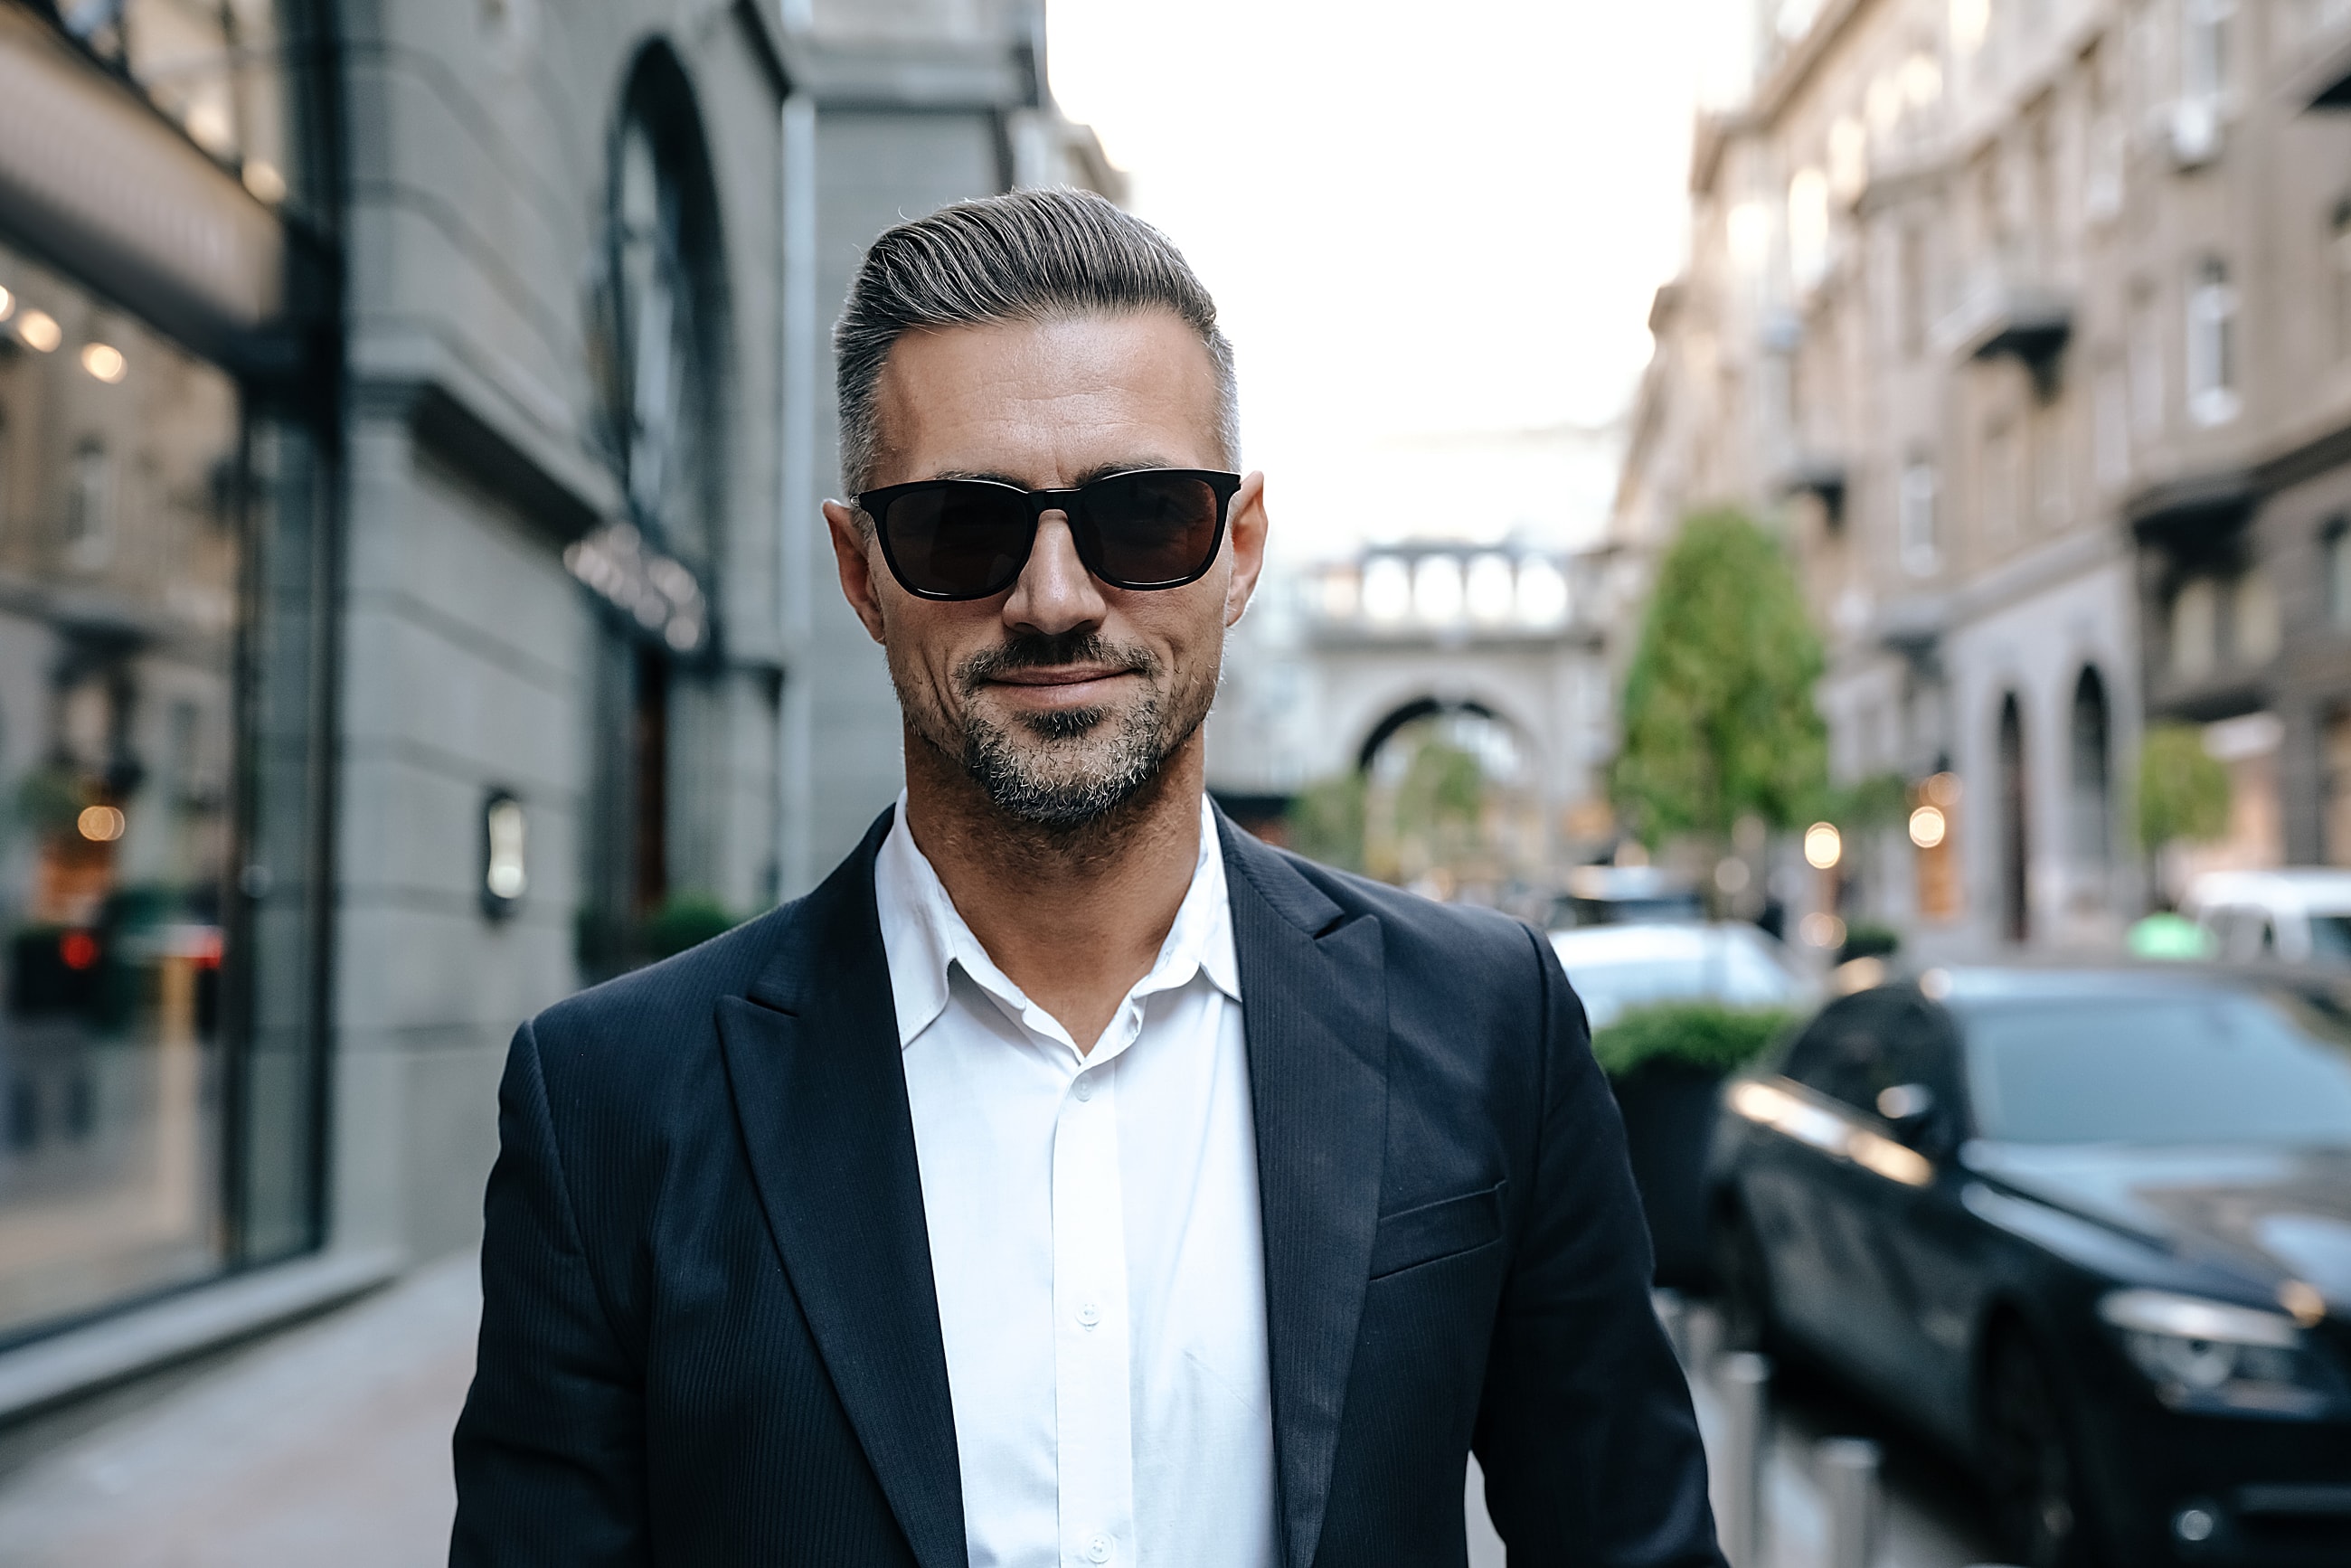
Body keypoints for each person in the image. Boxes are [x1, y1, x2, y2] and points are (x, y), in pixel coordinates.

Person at [451, 188, 1722, 1568]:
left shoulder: (1486, 1026)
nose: (1055, 596)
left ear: (1236, 550)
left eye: (1144, 516)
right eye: (959, 526)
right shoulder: (611, 1106)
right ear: (859, 571)